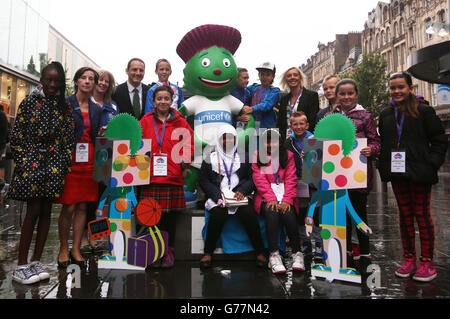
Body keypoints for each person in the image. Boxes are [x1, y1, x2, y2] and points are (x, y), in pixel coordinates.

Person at [9, 62, 74, 284]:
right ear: (42, 80)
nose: (53, 84)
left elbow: (67, 137)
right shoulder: (28, 103)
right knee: (33, 211)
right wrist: (26, 163)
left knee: (47, 210)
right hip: (32, 167)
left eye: (56, 81)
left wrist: (64, 162)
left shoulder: (63, 107)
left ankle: (36, 261)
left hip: (54, 167)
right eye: (49, 79)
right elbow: (16, 137)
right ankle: (20, 265)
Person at [378, 72, 448, 282]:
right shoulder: (386, 114)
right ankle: (409, 259)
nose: (397, 91)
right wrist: (385, 167)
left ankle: (427, 261)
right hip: (398, 172)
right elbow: (386, 142)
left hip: (419, 172)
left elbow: (439, 140)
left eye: (401, 87)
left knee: (422, 215)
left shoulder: (424, 110)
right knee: (405, 216)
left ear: (410, 88)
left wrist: (431, 163)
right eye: (393, 88)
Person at [322, 78, 381, 273]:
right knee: (342, 219)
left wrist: (371, 149)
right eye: (342, 93)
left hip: (357, 176)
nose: (346, 97)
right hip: (337, 175)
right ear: (337, 96)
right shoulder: (331, 116)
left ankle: (364, 255)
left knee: (359, 215)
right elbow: (322, 140)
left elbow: (376, 141)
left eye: (350, 93)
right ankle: (346, 254)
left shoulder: (366, 116)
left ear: (356, 94)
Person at [139, 84, 194, 268]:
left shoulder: (180, 121)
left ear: (172, 101)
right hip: (150, 176)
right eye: (159, 98)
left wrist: (184, 164)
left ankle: (169, 250)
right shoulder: (145, 121)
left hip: (173, 174)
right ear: (153, 101)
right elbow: (135, 143)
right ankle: (155, 251)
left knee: (170, 217)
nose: (163, 101)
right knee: (151, 217)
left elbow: (189, 144)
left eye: (166, 99)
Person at [199, 125, 267, 268]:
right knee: (218, 214)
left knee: (248, 213)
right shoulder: (209, 157)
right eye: (224, 138)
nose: (227, 141)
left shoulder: (244, 156)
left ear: (235, 139)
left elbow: (251, 178)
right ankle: (208, 253)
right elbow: (204, 180)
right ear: (219, 139)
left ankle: (260, 251)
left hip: (238, 196)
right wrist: (217, 196)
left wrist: (242, 191)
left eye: (230, 138)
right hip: (218, 196)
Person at [55, 67, 103, 269]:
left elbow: (95, 135)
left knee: (84, 205)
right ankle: (63, 248)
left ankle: (76, 248)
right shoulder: (65, 104)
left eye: (91, 79)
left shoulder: (97, 109)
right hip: (70, 160)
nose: (87, 81)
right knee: (69, 206)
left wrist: (100, 132)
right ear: (76, 81)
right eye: (83, 78)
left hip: (90, 159)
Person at [252, 129, 303, 274]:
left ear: (280, 142)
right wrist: (271, 198)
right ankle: (274, 255)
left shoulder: (288, 156)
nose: (270, 145)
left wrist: (287, 200)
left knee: (289, 214)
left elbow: (292, 179)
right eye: (267, 141)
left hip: (286, 195)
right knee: (272, 212)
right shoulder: (257, 156)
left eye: (273, 141)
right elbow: (259, 180)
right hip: (265, 197)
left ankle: (297, 254)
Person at [81, 70, 118, 253]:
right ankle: (84, 238)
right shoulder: (87, 103)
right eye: (100, 80)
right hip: (88, 155)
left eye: (106, 81)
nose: (103, 83)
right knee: (89, 199)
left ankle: (97, 238)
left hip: (106, 157)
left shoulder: (113, 106)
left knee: (102, 200)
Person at [284, 112, 322, 261]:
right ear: (291, 126)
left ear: (307, 125)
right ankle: (305, 243)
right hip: (298, 182)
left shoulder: (315, 140)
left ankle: (319, 244)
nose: (299, 127)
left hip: (315, 182)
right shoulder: (288, 143)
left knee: (316, 213)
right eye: (295, 124)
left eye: (302, 124)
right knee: (302, 213)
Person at [278, 67, 319, 138]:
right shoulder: (283, 100)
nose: (292, 77)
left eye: (295, 75)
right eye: (289, 76)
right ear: (286, 80)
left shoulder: (311, 96)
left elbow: (312, 121)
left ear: (300, 78)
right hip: (287, 140)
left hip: (305, 139)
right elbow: (281, 122)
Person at [243, 62, 280, 129]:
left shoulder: (275, 91)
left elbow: (267, 104)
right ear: (259, 75)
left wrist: (252, 109)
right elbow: (243, 92)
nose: (264, 77)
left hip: (269, 126)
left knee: (272, 139)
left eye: (268, 75)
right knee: (251, 139)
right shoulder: (253, 88)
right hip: (252, 125)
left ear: (273, 76)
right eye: (262, 74)